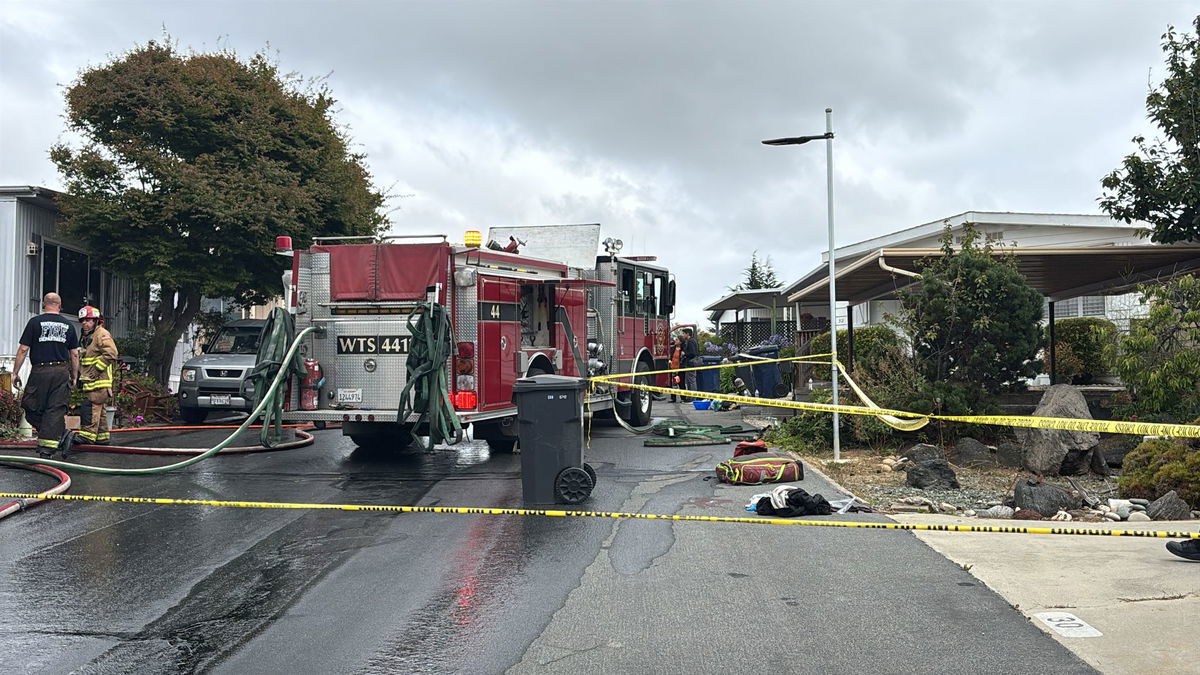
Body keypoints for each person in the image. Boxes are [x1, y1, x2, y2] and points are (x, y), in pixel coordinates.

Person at [13, 293, 80, 457]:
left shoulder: (34, 322)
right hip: (61, 371)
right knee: (54, 410)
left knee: (30, 406)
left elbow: (23, 349)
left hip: (40, 371)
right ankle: (62, 434)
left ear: (44, 304)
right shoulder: (68, 325)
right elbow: (75, 354)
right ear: (60, 305)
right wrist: (74, 375)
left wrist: (15, 372)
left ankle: (47, 450)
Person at [76, 305, 119, 445]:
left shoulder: (101, 334)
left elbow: (112, 353)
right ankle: (102, 436)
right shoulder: (87, 336)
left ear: (96, 321)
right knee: (99, 410)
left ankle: (87, 436)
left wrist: (95, 370)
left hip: (99, 382)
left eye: (88, 320)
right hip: (91, 382)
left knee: (90, 407)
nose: (84, 323)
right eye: (82, 320)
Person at [680, 327, 699, 402]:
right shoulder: (691, 341)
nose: (683, 335)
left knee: (691, 380)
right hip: (690, 363)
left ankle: (693, 398)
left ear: (688, 334)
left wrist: (685, 354)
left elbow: (693, 353)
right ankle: (690, 397)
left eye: (684, 333)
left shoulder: (691, 341)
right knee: (689, 380)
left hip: (691, 363)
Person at [668, 335, 684, 402]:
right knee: (673, 384)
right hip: (673, 368)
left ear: (680, 341)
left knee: (681, 383)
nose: (675, 341)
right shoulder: (672, 348)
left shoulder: (683, 349)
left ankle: (683, 398)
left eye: (677, 340)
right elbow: (670, 356)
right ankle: (673, 398)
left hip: (680, 368)